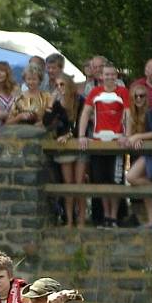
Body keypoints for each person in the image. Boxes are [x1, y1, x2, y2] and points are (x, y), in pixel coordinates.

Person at [78, 62, 130, 228]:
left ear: (116, 76)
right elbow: (85, 113)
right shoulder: (94, 92)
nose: (109, 77)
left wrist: (127, 136)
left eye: (112, 74)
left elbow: (128, 115)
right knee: (101, 181)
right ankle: (106, 215)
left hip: (116, 142)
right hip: (98, 142)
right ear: (101, 76)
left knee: (115, 181)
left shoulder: (123, 92)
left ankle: (114, 217)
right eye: (106, 74)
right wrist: (81, 136)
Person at [44, 74, 86, 227]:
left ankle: (81, 220)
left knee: (79, 184)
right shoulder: (56, 103)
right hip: (64, 147)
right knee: (68, 185)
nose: (60, 88)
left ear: (69, 84)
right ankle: (69, 221)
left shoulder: (80, 100)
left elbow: (82, 122)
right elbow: (46, 122)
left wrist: (69, 135)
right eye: (57, 85)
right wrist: (50, 103)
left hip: (78, 144)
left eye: (62, 84)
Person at [123, 83, 152, 228]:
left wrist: (139, 136)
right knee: (143, 185)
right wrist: (131, 138)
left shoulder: (150, 112)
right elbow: (128, 135)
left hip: (151, 154)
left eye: (142, 95)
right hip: (139, 154)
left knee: (131, 177)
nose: (139, 98)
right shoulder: (130, 114)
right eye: (136, 96)